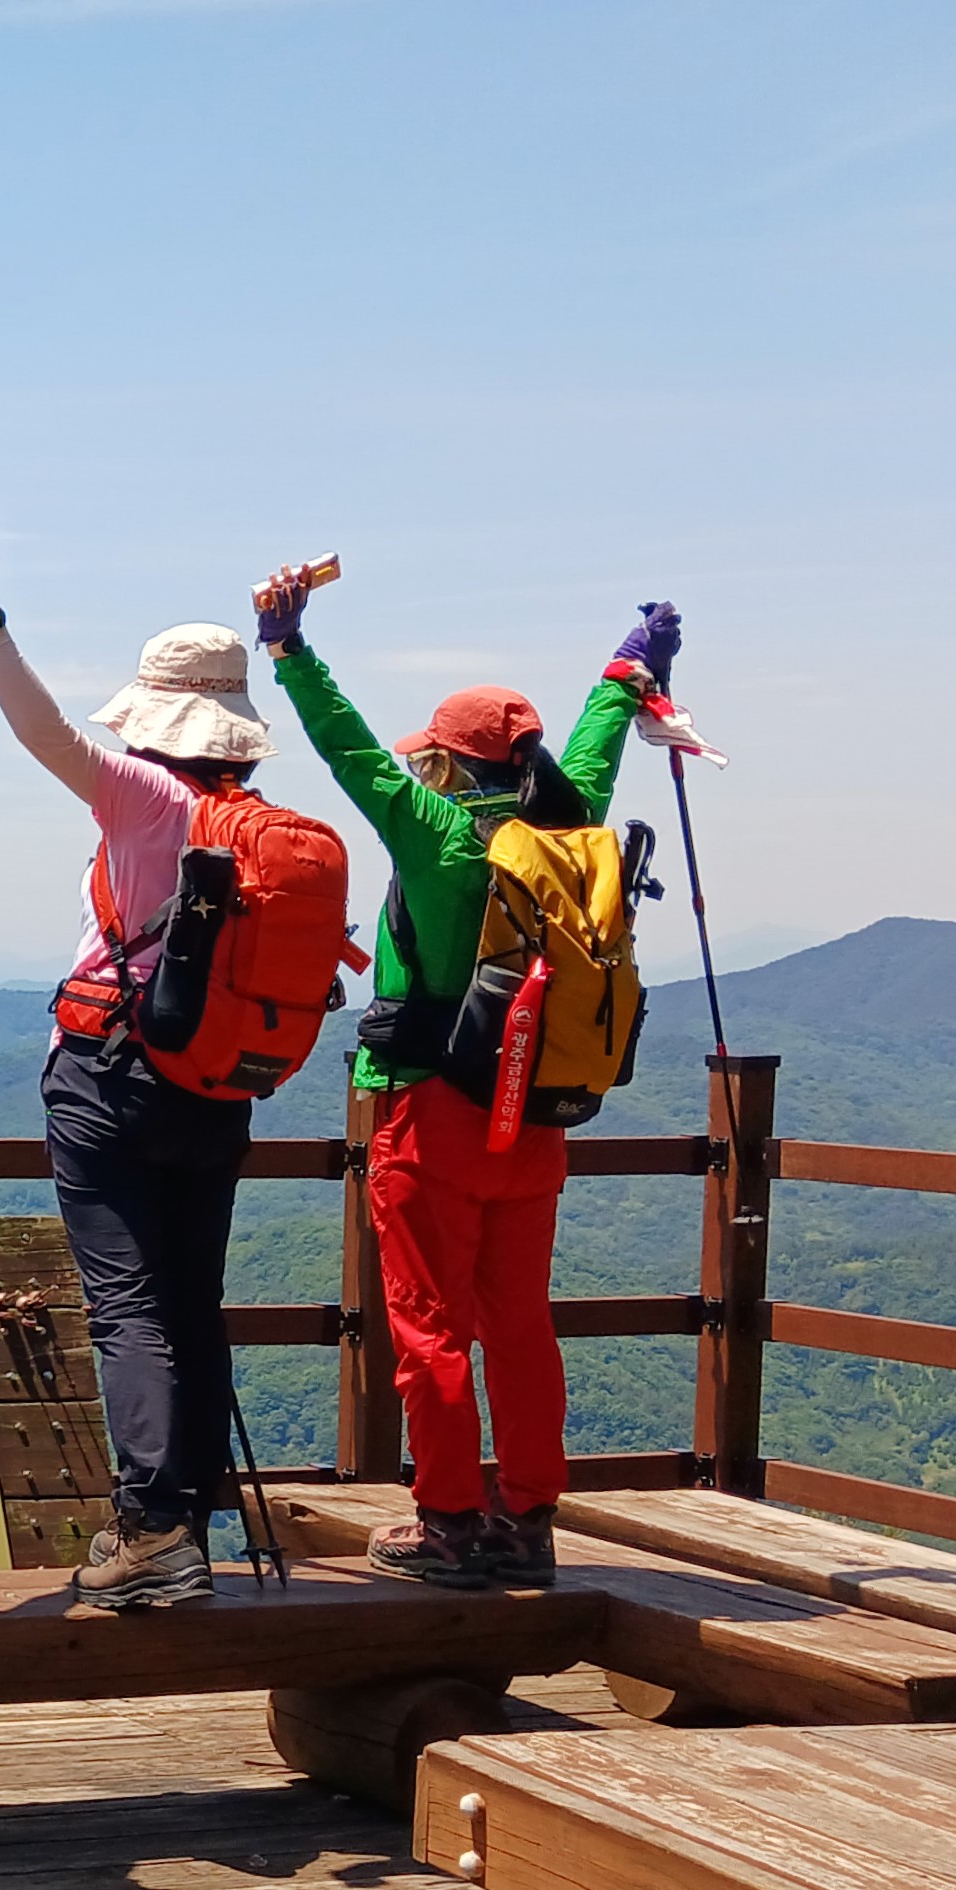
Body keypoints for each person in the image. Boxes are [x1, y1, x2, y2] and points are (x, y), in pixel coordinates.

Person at [259, 568, 670, 1588]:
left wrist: (288, 648)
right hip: (534, 1115)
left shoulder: (433, 830)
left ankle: (445, 1521)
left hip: (428, 1112)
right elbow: (594, 745)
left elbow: (347, 747)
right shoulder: (569, 825)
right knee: (519, 1326)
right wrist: (626, 671)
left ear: (445, 760)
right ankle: (525, 1520)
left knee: (430, 1327)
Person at [0, 509, 260, 1610]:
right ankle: (191, 1525)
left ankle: (151, 1532)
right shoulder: (254, 822)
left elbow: (45, 736)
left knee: (126, 1306)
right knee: (191, 1302)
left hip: (111, 1078)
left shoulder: (148, 794)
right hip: (217, 1085)